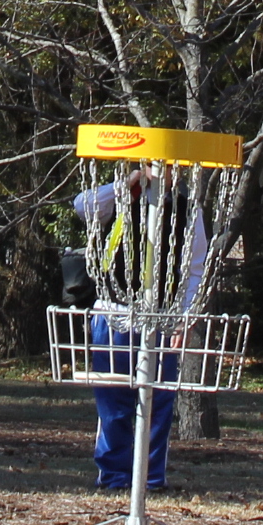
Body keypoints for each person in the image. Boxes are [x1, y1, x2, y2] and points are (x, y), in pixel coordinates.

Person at [72, 170, 175, 493]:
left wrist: (184, 319)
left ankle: (150, 478)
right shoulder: (118, 202)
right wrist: (128, 182)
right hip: (113, 315)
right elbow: (81, 205)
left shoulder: (187, 209)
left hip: (162, 318)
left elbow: (195, 264)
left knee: (158, 403)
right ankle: (114, 476)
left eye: (168, 167)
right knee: (114, 402)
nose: (161, 173)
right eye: (154, 165)